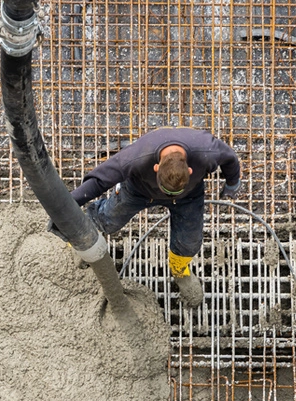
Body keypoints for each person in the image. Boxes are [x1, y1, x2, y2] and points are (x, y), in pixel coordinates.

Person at [59, 127, 242, 307]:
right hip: (138, 191)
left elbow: (230, 158)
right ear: (156, 167)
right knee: (109, 218)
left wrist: (232, 183)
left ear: (190, 170)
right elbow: (98, 180)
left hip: (188, 196)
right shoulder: (136, 157)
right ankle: (84, 239)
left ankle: (179, 270)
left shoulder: (207, 150)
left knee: (190, 240)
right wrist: (66, 207)